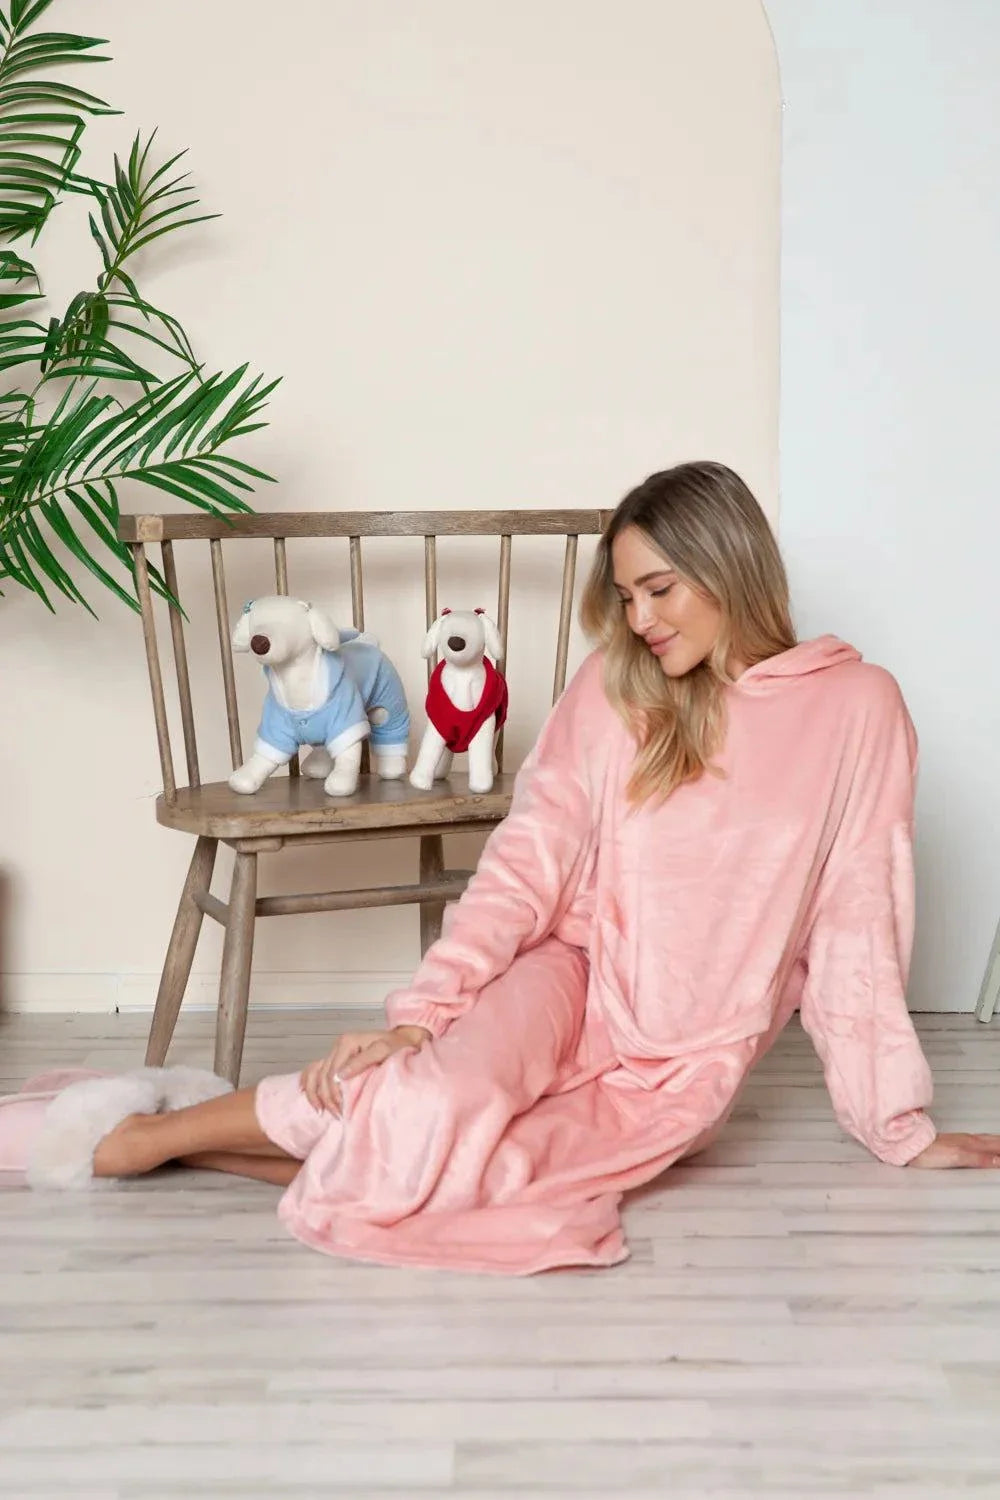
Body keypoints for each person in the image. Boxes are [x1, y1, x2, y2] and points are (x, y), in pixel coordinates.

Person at [37, 463, 1000, 1272]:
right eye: (626, 597)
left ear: (731, 568)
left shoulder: (858, 708)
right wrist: (423, 1018)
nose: (641, 619)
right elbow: (525, 861)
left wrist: (897, 1125)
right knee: (430, 1100)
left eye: (659, 589)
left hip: (682, 1062)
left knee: (487, 1174)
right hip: (568, 975)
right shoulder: (618, 686)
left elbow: (857, 925)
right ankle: (143, 1141)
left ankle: (194, 1137)